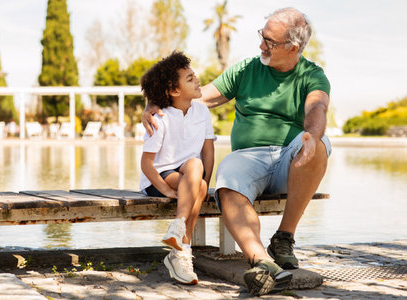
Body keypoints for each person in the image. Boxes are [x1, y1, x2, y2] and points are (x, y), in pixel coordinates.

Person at [142, 7, 332, 296]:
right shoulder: (246, 69)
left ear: (293, 47)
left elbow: (317, 107)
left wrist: (312, 136)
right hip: (248, 158)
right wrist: (154, 102)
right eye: (262, 36)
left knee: (317, 144)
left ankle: (284, 237)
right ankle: (262, 263)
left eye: (269, 41)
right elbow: (194, 96)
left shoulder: (312, 75)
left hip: (289, 160)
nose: (261, 45)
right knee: (228, 180)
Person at [139, 51, 215, 285]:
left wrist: (204, 185)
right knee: (195, 170)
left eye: (194, 75)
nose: (197, 80)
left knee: (196, 167)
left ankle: (179, 242)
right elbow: (146, 164)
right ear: (174, 91)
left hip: (190, 176)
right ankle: (182, 248)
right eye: (190, 79)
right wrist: (165, 190)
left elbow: (209, 152)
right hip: (159, 179)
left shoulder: (202, 111)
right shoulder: (159, 117)